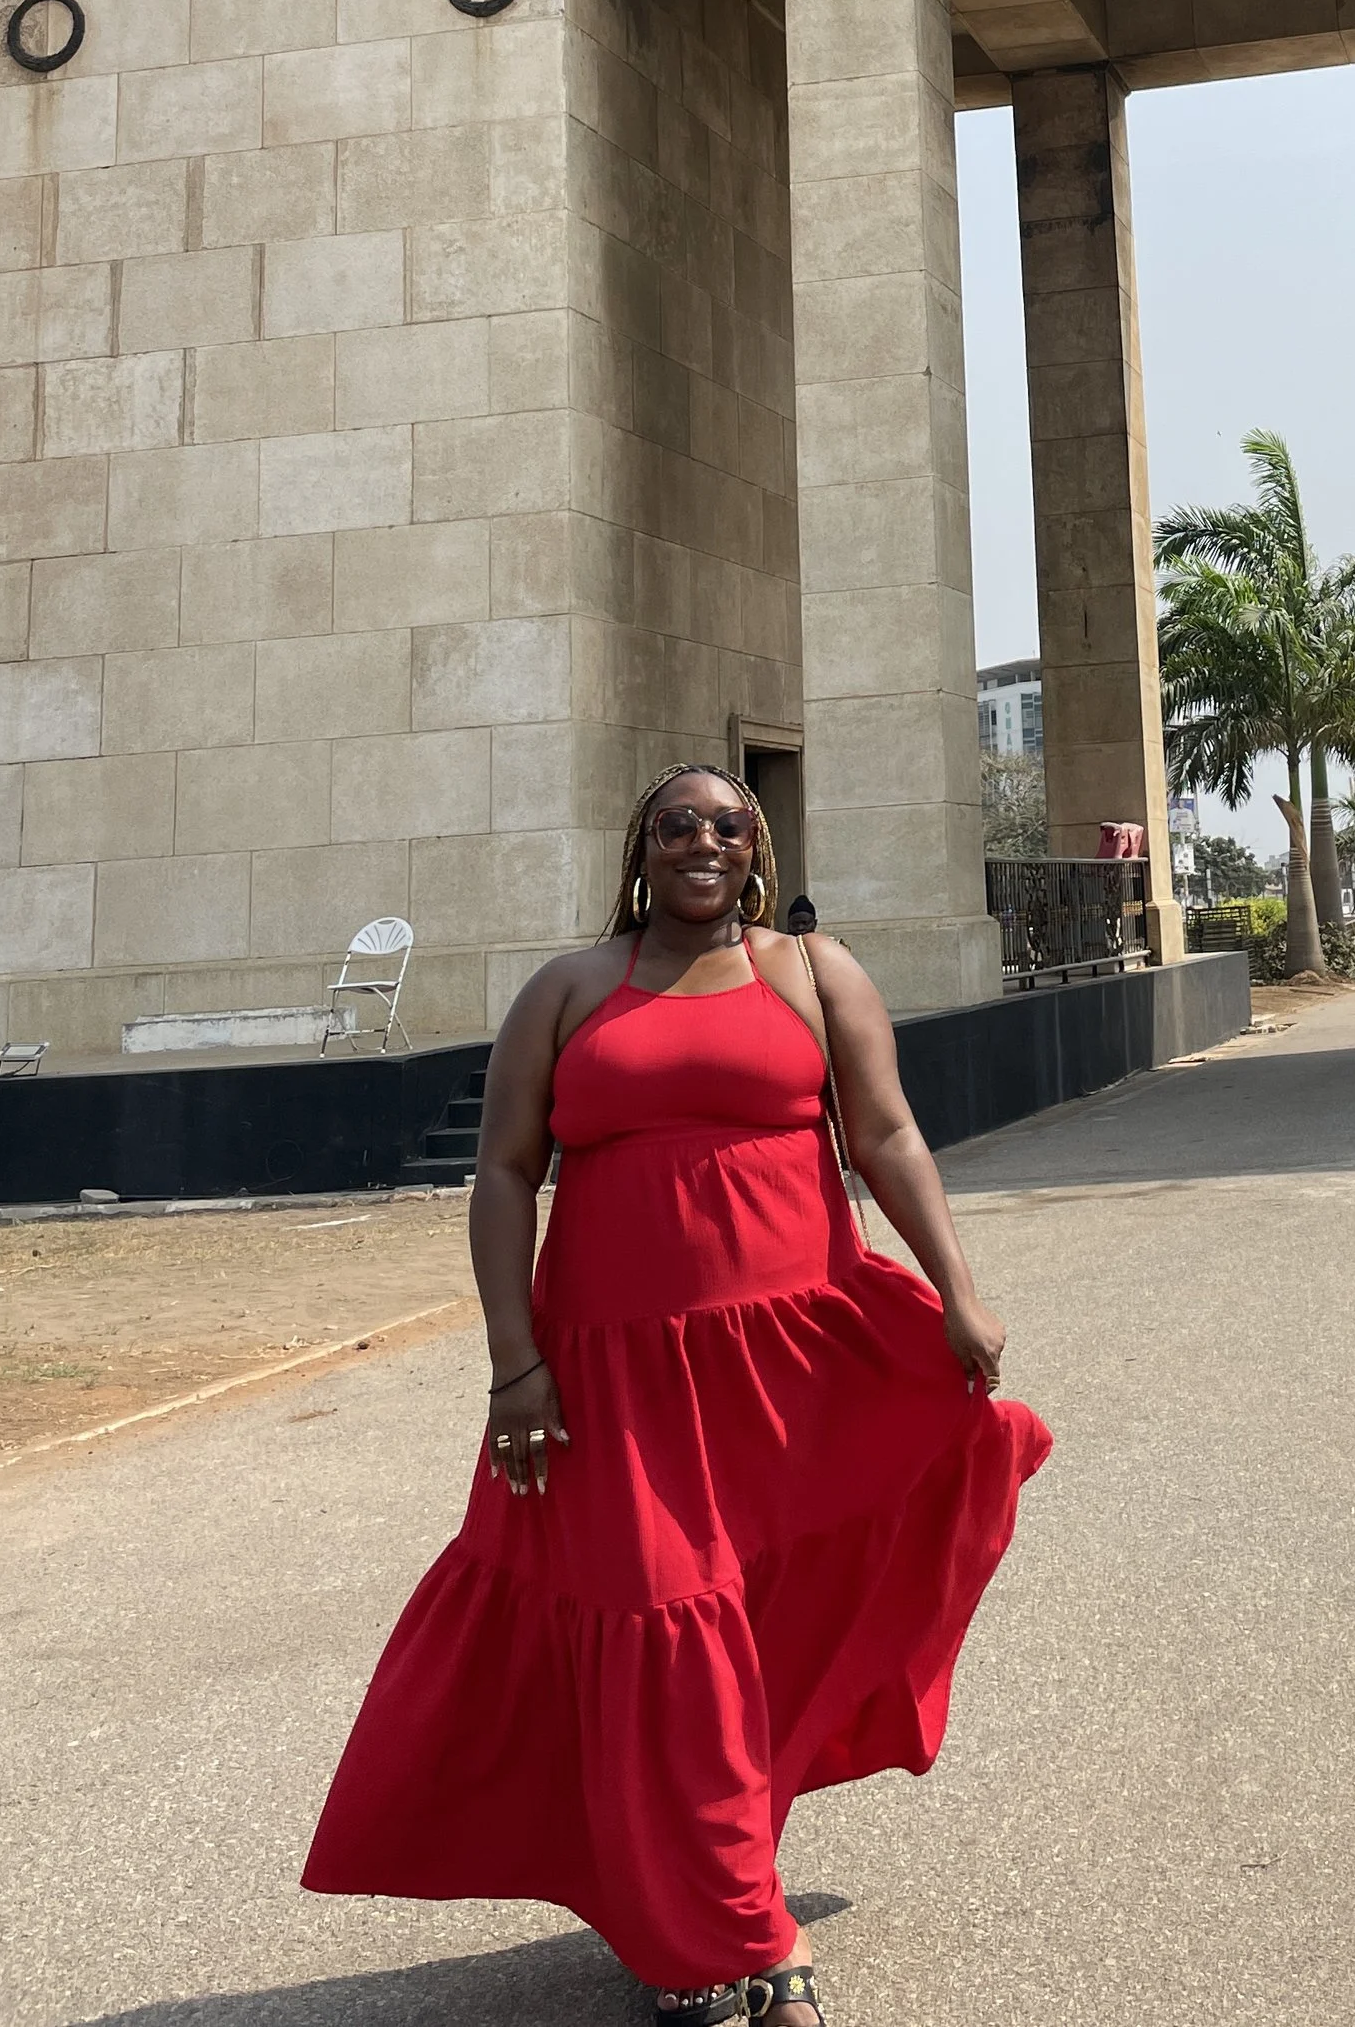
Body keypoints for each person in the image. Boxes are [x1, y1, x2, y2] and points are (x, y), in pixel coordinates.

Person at [304, 763, 1051, 2020]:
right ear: (640, 849)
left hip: (791, 1366)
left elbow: (888, 1138)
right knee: (666, 1624)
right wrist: (512, 1361)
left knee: (755, 1627)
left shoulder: (815, 974)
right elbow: (502, 1174)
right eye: (674, 825)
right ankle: (735, 1937)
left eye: (724, 824)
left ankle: (712, 1883)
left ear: (753, 848)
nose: (700, 840)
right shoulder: (569, 990)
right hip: (613, 1380)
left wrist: (958, 1290)